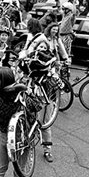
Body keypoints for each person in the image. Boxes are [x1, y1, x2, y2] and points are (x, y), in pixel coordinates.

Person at [27, 22, 69, 163]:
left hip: (46, 99)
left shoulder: (49, 72)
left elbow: (59, 85)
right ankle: (29, 142)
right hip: (32, 99)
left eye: (44, 48)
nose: (42, 49)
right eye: (40, 47)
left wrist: (61, 63)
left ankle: (47, 150)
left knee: (45, 123)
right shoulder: (32, 66)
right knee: (30, 121)